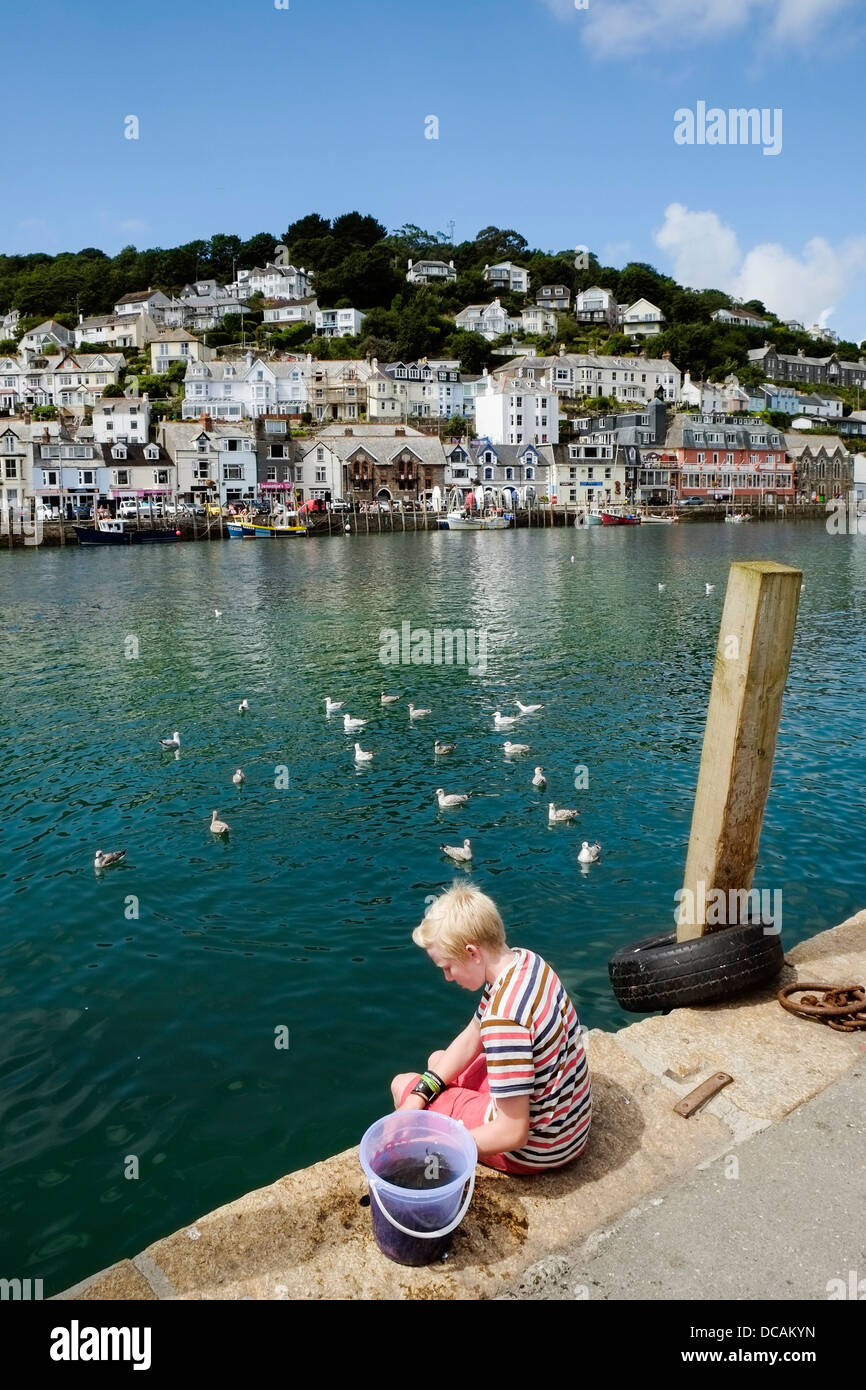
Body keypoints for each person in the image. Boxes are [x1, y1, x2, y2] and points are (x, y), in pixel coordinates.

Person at [390, 883, 592, 1175]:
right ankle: (442, 1099)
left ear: (472, 953)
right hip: (569, 1124)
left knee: (401, 1083)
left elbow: (513, 1133)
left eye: (447, 967)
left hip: (537, 1149)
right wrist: (421, 1094)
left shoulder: (504, 1019)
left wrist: (439, 1145)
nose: (447, 978)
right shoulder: (525, 961)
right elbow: (473, 1035)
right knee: (437, 1061)